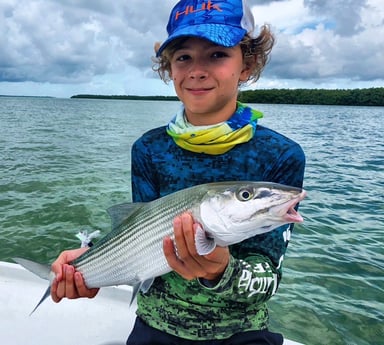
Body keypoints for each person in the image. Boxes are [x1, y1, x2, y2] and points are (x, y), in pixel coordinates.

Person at [51, 0, 306, 344]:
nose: (196, 70)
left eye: (217, 54)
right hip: (154, 326)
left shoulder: (281, 155)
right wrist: (92, 262)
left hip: (241, 333)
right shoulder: (148, 148)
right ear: (169, 68)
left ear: (247, 64)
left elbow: (268, 279)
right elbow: (138, 235)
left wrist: (221, 271)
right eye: (183, 57)